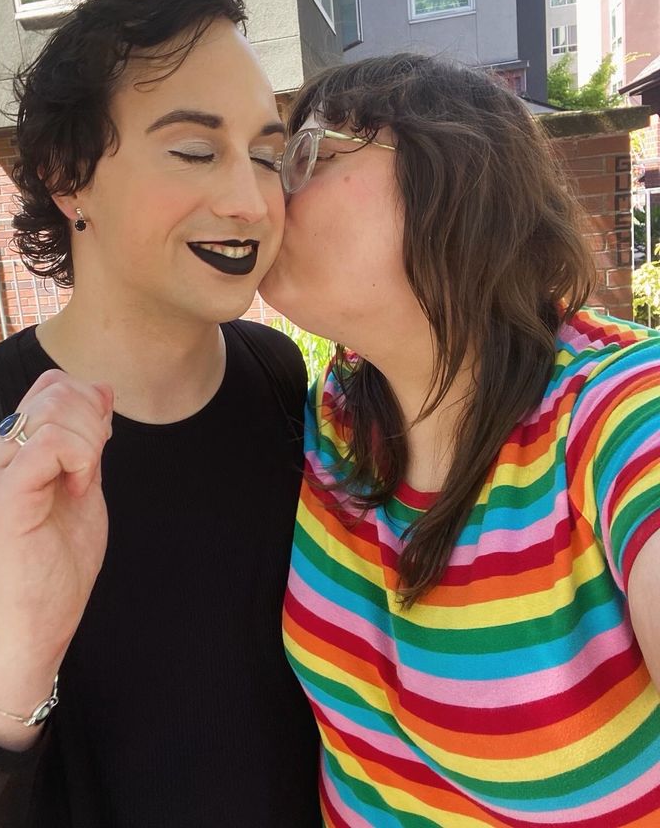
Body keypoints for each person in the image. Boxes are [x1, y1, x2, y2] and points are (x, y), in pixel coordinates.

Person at [0, 0, 320, 827]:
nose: (250, 201)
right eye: (195, 151)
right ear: (68, 176)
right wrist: (16, 646)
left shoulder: (277, 375)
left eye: (266, 156)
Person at [260, 53, 660, 827]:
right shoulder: (334, 420)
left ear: (458, 177)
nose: (269, 189)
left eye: (308, 153)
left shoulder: (619, 414)